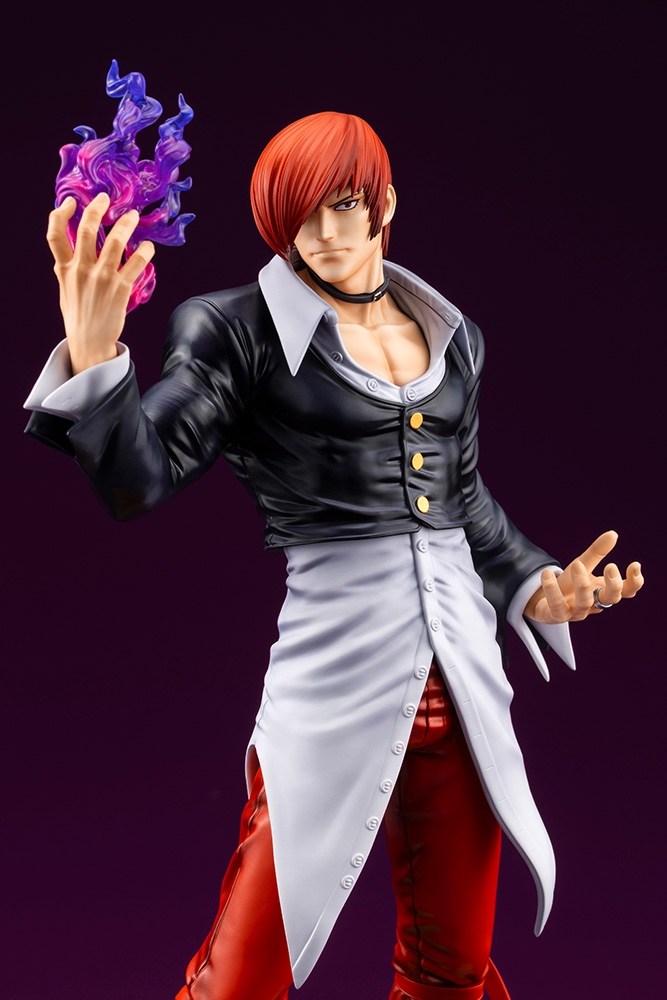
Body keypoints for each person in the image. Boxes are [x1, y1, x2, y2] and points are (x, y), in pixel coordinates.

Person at [24, 112, 643, 1000]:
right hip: (335, 674)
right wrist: (94, 351)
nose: (320, 234)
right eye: (297, 215)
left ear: (384, 203)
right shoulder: (236, 329)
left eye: (342, 205)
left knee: (450, 973)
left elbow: (461, 501)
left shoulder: (452, 336)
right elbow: (136, 479)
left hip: (463, 682)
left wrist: (538, 586)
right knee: (239, 978)